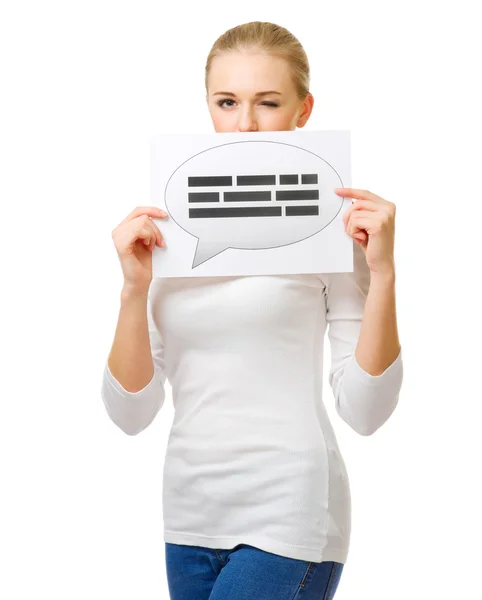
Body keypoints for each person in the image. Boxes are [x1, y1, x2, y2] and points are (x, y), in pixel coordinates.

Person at [101, 21, 403, 600]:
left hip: (290, 510)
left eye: (268, 103)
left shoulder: (332, 232)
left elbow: (364, 410)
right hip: (189, 513)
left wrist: (384, 274)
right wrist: (133, 290)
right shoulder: (170, 227)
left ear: (303, 110)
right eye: (227, 102)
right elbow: (131, 412)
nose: (244, 124)